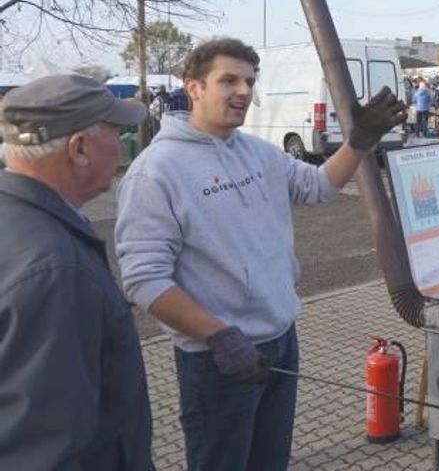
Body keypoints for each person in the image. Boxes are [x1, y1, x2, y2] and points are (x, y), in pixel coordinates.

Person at [114, 38, 406, 471]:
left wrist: (359, 142)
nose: (244, 91)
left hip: (280, 342)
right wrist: (219, 335)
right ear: (193, 87)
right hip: (217, 360)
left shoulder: (255, 151)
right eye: (228, 80)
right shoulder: (156, 170)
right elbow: (143, 280)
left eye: (250, 81)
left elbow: (319, 186)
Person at [0, 74, 153, 468]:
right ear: (80, 147)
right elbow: (40, 452)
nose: (121, 145)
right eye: (116, 131)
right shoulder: (54, 268)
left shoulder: (22, 222)